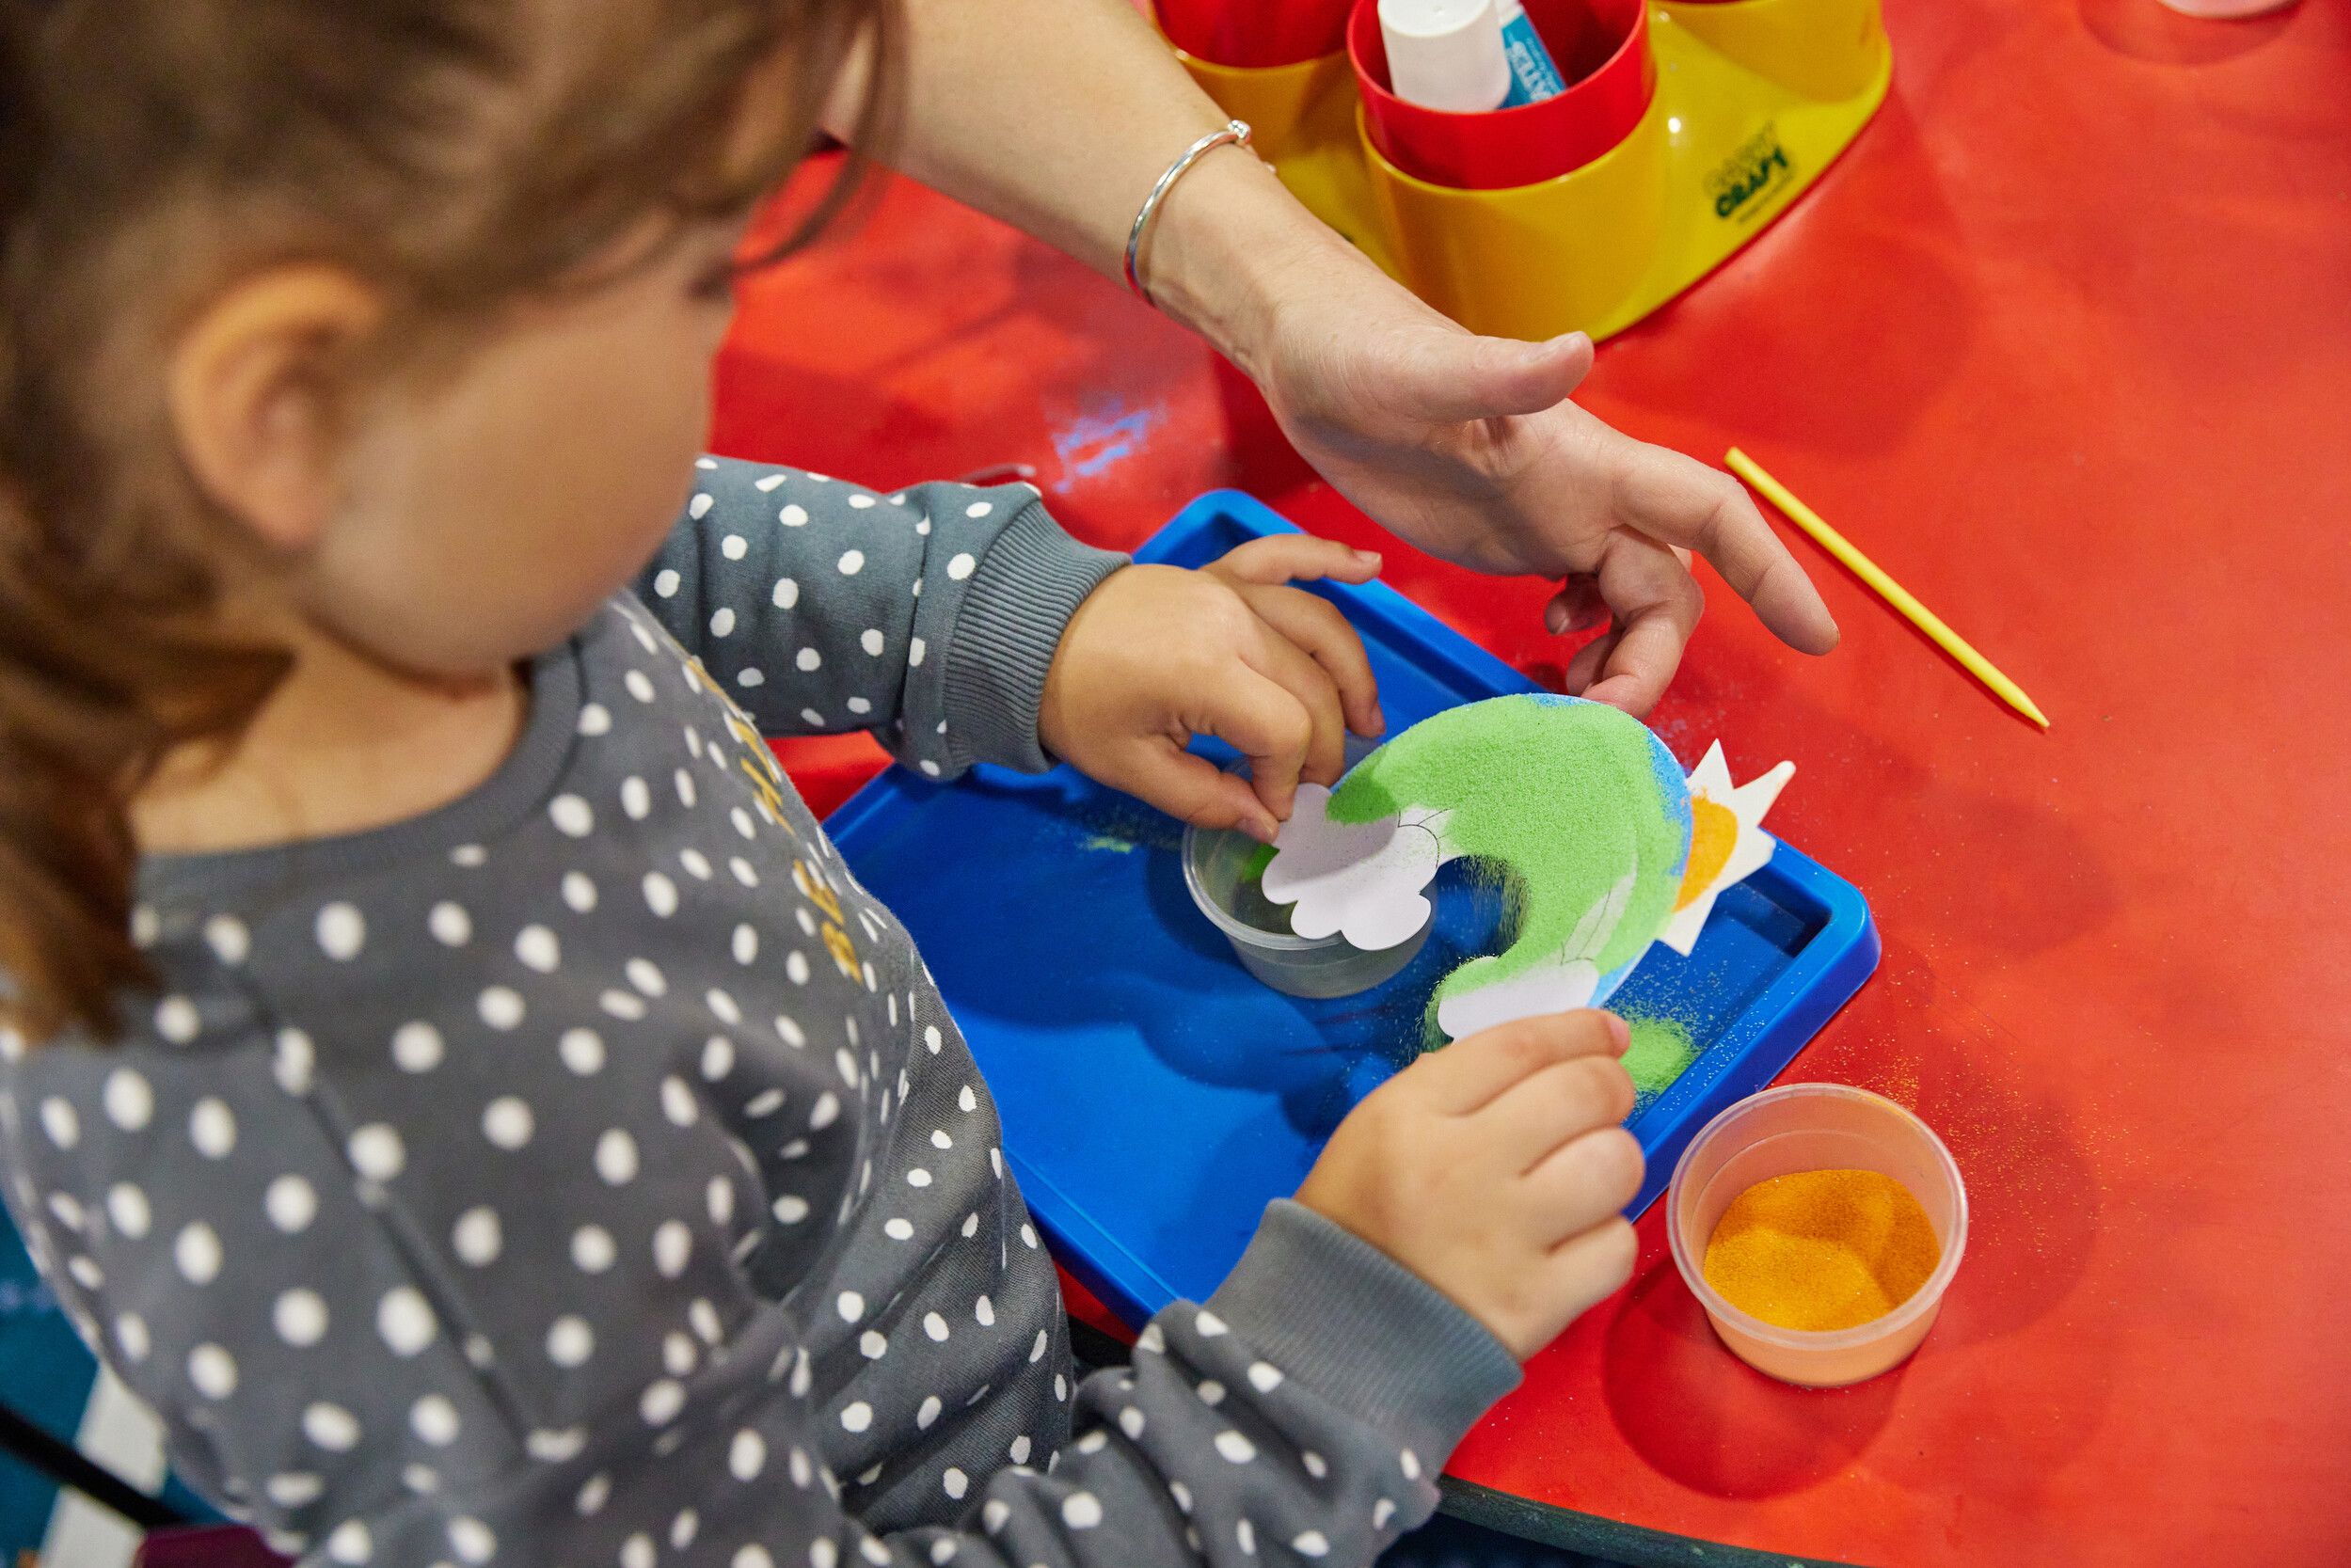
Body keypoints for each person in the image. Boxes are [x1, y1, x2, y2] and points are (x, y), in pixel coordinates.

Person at [0, 4, 1833, 1567]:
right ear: (288, 408)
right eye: (684, 272)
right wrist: (1335, 1361)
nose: (711, 343)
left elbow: (649, 567)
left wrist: (1000, 624)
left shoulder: (316, 578)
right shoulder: (412, 1189)